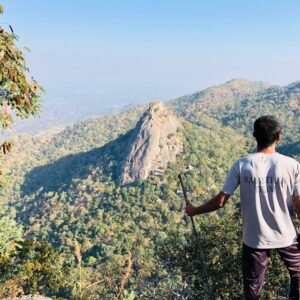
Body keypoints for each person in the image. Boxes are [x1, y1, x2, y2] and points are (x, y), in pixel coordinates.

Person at [185, 115, 300, 300]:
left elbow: (221, 201)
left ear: (254, 135)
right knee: (298, 273)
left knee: (252, 290)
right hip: (286, 236)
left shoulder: (242, 164)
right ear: (279, 137)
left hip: (254, 238)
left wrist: (195, 210)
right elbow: (298, 203)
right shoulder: (292, 166)